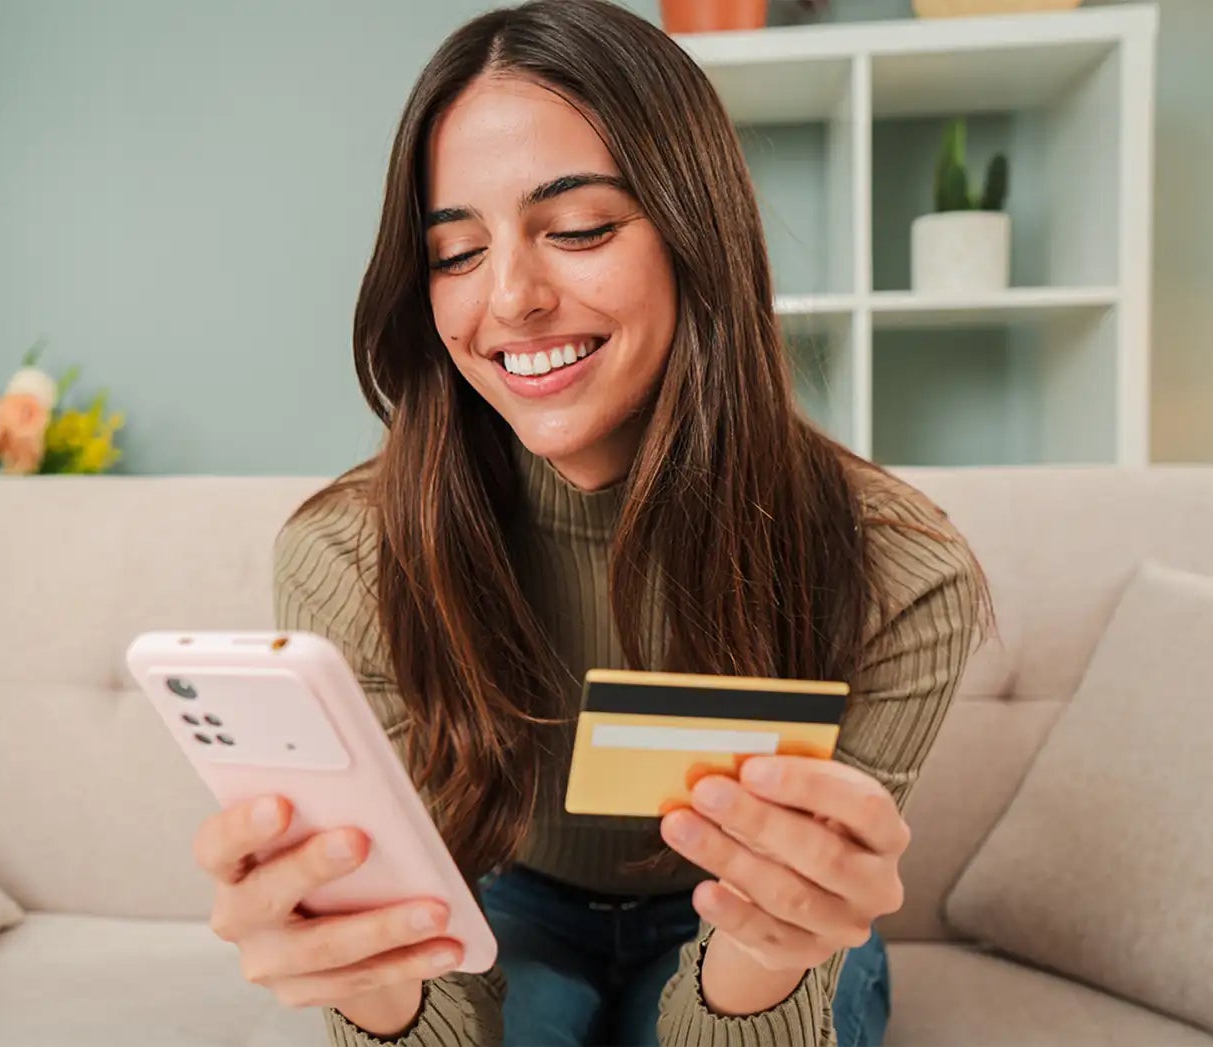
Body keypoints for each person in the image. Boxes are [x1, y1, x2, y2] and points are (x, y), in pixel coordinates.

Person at [190, 2, 984, 1044]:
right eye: (456, 252)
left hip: (748, 909)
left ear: (697, 235)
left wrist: (764, 949)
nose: (510, 298)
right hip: (512, 895)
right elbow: (420, 997)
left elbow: (769, 970)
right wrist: (369, 982)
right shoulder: (349, 552)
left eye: (578, 229)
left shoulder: (903, 569)